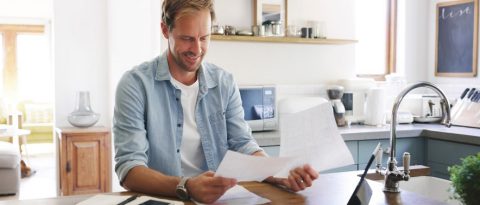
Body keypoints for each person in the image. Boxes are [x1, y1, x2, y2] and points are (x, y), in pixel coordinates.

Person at [113, 0, 319, 203]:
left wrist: (280, 174)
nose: (197, 49)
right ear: (165, 30)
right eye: (187, 38)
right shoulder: (135, 85)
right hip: (164, 200)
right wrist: (187, 186)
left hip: (219, 200)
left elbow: (242, 144)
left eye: (204, 38)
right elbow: (129, 168)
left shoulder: (224, 82)